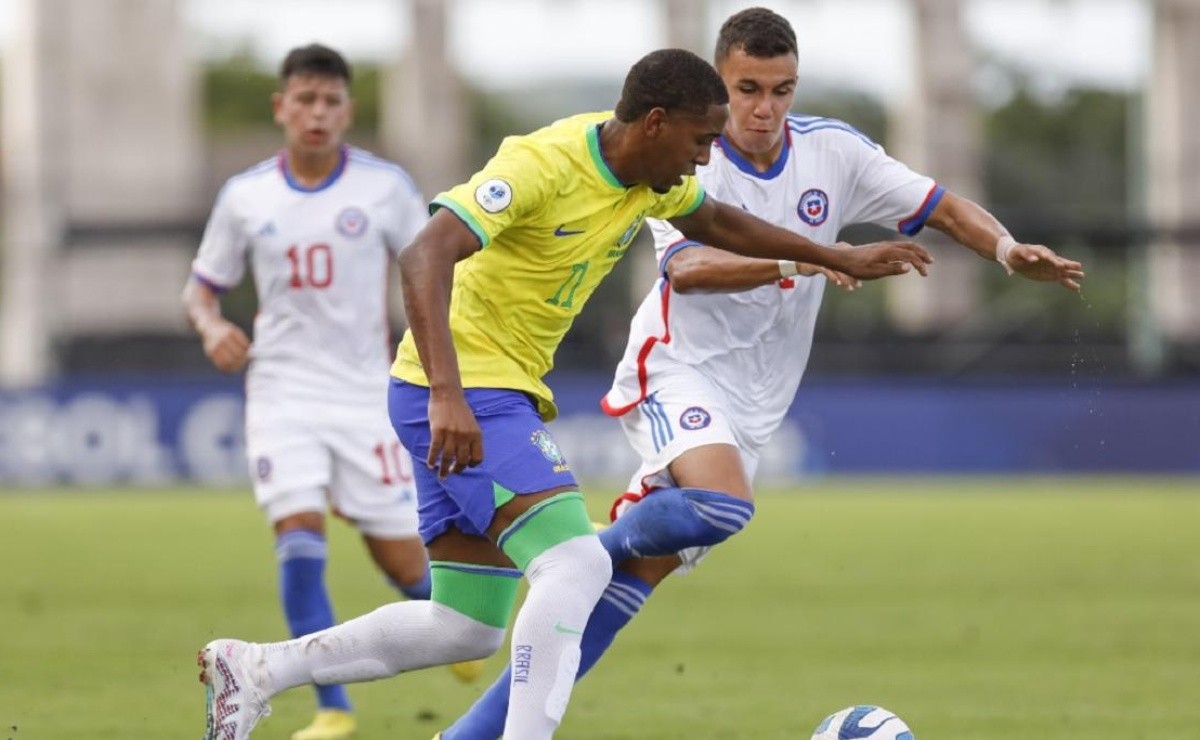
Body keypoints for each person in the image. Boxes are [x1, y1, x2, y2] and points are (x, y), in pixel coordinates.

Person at [197, 46, 932, 740]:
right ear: (656, 124)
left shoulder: (655, 178)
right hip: (466, 389)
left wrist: (832, 253)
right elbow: (425, 253)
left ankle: (258, 668)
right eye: (701, 140)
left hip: (476, 390)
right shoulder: (543, 162)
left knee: (465, 626)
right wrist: (448, 396)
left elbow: (715, 220)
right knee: (578, 563)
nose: (708, 156)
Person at [437, 8, 1086, 739]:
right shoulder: (683, 159)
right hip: (677, 369)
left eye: (782, 90)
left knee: (625, 587)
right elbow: (689, 271)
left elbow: (937, 205)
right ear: (722, 82)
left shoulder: (834, 153)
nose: (765, 108)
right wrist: (813, 255)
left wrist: (1004, 250)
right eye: (749, 88)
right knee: (719, 508)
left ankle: (466, 733)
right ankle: (579, 548)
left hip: (758, 399)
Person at [183, 44, 480, 740]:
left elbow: (429, 279)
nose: (317, 114)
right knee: (297, 531)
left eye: (331, 102)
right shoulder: (245, 195)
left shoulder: (383, 188)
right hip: (281, 392)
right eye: (304, 100)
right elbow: (202, 288)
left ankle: (450, 621)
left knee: (400, 557)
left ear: (348, 110)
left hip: (363, 394)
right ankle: (331, 711)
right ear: (281, 107)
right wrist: (210, 327)